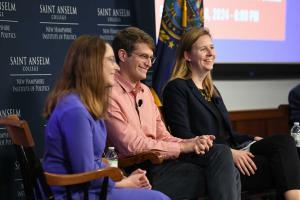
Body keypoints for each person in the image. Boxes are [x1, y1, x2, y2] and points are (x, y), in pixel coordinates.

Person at [162, 27, 300, 200]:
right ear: (188, 56)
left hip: (234, 148)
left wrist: (251, 138)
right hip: (213, 159)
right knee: (280, 165)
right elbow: (183, 137)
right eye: (203, 49)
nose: (210, 53)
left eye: (212, 48)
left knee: (284, 143)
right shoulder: (177, 88)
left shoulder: (211, 90)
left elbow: (228, 134)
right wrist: (229, 153)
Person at [104, 26, 241, 200]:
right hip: (133, 171)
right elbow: (131, 145)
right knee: (226, 173)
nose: (148, 63)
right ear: (123, 55)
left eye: (151, 58)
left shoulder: (146, 92)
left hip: (160, 164)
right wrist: (182, 147)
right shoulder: (109, 93)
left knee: (221, 156)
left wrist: (192, 142)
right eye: (143, 56)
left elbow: (163, 135)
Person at [42, 35, 170, 200]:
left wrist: (120, 175)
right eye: (110, 60)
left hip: (93, 187)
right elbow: (86, 173)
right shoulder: (75, 111)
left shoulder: (88, 104)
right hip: (78, 194)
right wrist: (125, 183)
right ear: (92, 65)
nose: (116, 67)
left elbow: (106, 151)